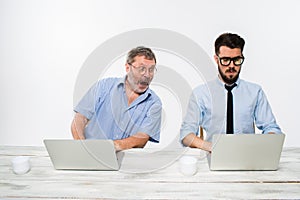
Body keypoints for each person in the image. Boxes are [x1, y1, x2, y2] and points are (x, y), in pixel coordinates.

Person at [180, 33, 282, 152]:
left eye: (237, 60)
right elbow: (186, 135)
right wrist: (211, 147)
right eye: (225, 60)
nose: (231, 66)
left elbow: (272, 128)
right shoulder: (201, 93)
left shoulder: (255, 92)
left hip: (247, 157)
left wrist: (260, 146)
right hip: (213, 155)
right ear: (216, 59)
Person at [71, 46, 162, 151]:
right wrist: (82, 146)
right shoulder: (103, 87)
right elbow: (79, 119)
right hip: (89, 157)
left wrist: (109, 148)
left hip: (124, 164)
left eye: (151, 70)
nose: (147, 75)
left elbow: (142, 139)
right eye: (141, 69)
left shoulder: (154, 103)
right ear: (128, 68)